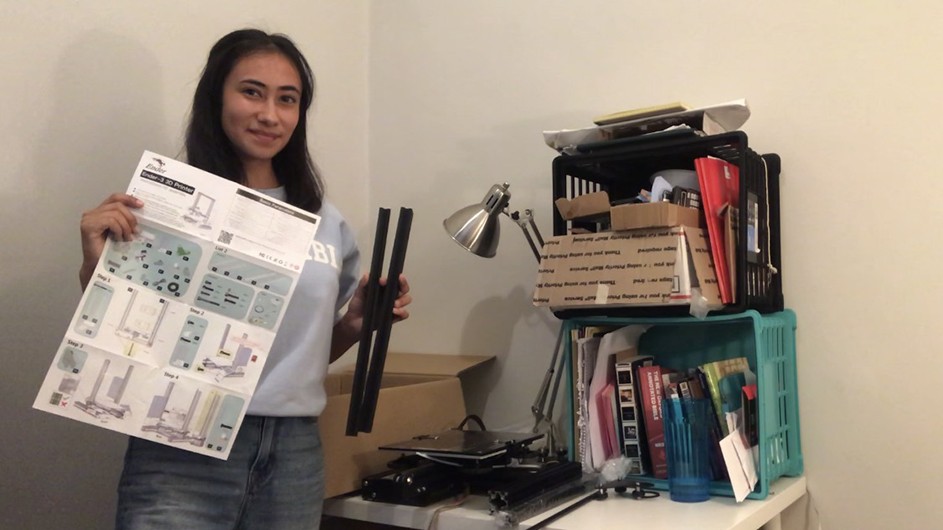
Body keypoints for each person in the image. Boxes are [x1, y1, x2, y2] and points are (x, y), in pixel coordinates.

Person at [78, 29, 411, 529]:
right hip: (181, 442)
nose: (270, 114)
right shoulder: (168, 207)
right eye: (252, 91)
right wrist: (95, 265)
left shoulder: (324, 221)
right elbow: (126, 335)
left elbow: (299, 357)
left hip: (293, 448)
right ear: (217, 95)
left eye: (287, 99)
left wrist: (354, 324)